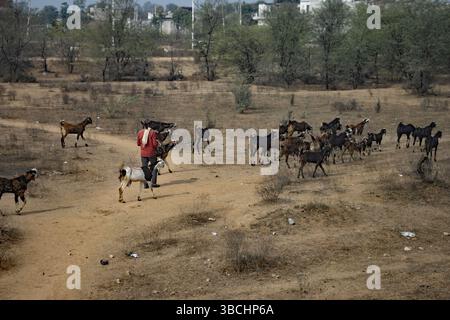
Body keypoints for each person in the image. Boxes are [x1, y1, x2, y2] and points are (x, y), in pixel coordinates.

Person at [137, 119, 160, 188]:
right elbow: (154, 144)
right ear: (150, 125)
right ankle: (153, 183)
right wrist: (157, 143)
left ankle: (145, 184)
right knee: (154, 168)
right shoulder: (152, 133)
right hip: (151, 153)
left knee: (145, 168)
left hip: (143, 153)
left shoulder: (140, 132)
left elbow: (138, 143)